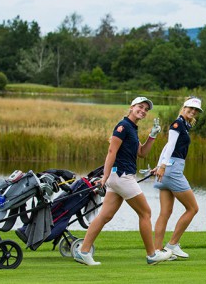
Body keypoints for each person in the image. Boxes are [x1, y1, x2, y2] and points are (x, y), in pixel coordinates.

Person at [74, 96, 172, 266]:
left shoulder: (132, 128)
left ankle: (83, 251)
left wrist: (152, 136)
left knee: (105, 215)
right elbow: (111, 151)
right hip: (121, 176)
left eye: (146, 109)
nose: (143, 111)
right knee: (146, 213)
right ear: (132, 107)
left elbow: (141, 153)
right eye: (140, 107)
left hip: (119, 178)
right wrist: (104, 177)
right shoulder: (123, 126)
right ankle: (151, 254)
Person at [152, 96, 203, 260]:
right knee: (193, 208)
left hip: (167, 168)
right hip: (173, 170)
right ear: (184, 107)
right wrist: (163, 165)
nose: (193, 111)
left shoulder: (183, 125)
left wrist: (160, 165)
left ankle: (157, 251)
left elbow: (167, 147)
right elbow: (171, 145)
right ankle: (172, 245)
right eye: (190, 108)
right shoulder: (177, 124)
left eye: (196, 110)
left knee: (165, 212)